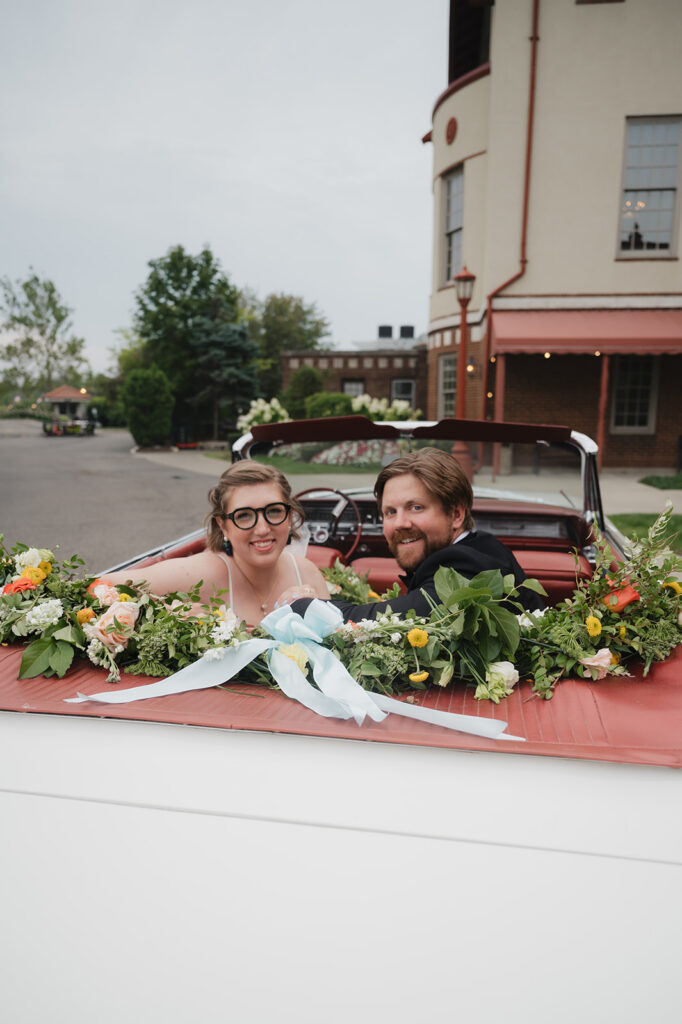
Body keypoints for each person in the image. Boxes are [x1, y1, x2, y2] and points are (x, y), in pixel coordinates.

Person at [291, 446, 545, 621]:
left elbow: (398, 619)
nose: (400, 523)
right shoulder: (483, 546)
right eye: (390, 512)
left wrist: (306, 607)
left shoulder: (468, 564)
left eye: (416, 507)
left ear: (456, 515)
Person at [101, 462, 329, 626]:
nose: (262, 529)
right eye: (244, 515)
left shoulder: (307, 575)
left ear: (289, 517)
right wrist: (169, 611)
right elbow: (99, 585)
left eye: (274, 511)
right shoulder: (200, 573)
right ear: (223, 525)